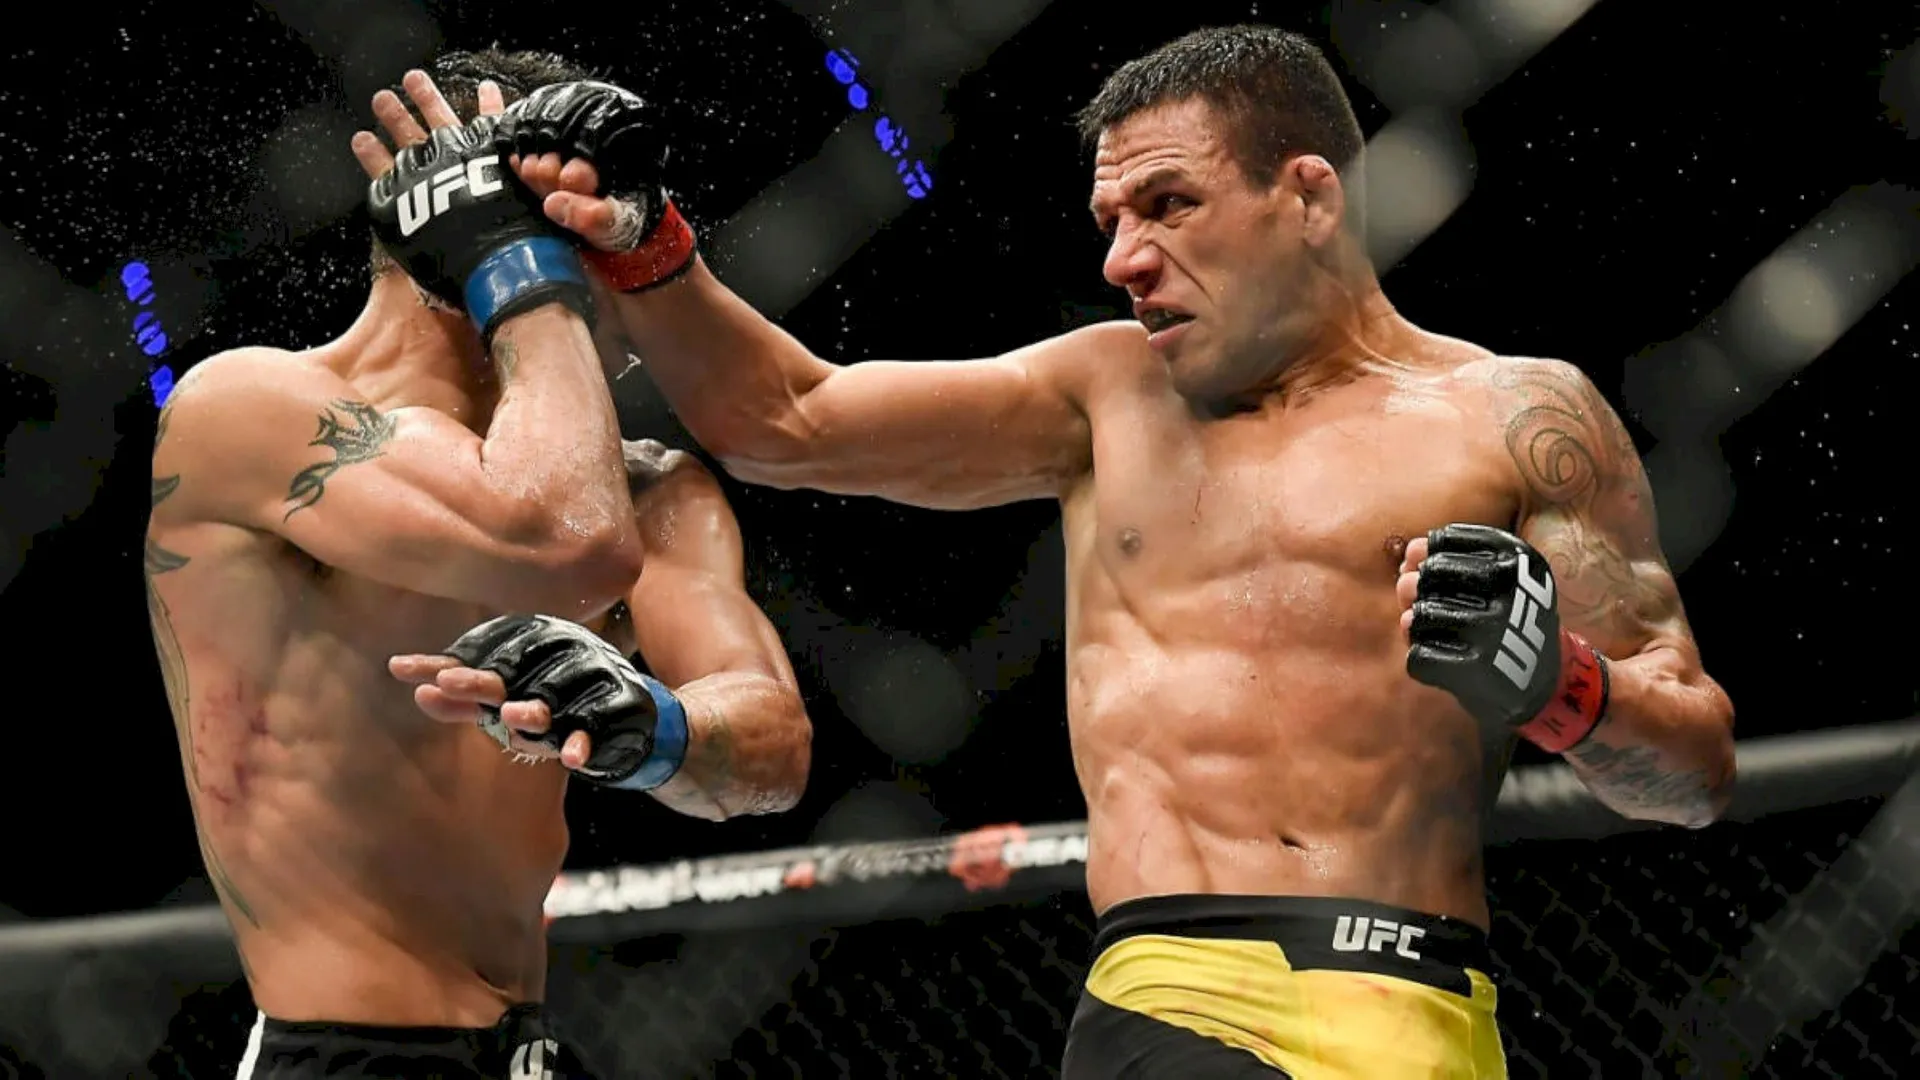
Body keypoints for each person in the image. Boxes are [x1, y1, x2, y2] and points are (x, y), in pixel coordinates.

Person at [380, 24, 1739, 1077]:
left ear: (1309, 196)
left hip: (1431, 1012)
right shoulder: (1104, 397)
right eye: (1111, 223)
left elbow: (1691, 774)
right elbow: (786, 420)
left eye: (1169, 205)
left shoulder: (1521, 421)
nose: (1124, 260)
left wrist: (1561, 685)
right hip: (1179, 1001)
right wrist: (647, 249)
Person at [146, 49, 810, 1079]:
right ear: (478, 219)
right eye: (585, 211)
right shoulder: (248, 413)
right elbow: (566, 541)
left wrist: (659, 728)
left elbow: (774, 751)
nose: (627, 247)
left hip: (528, 1053)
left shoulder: (651, 483)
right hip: (344, 1057)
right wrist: (515, 265)